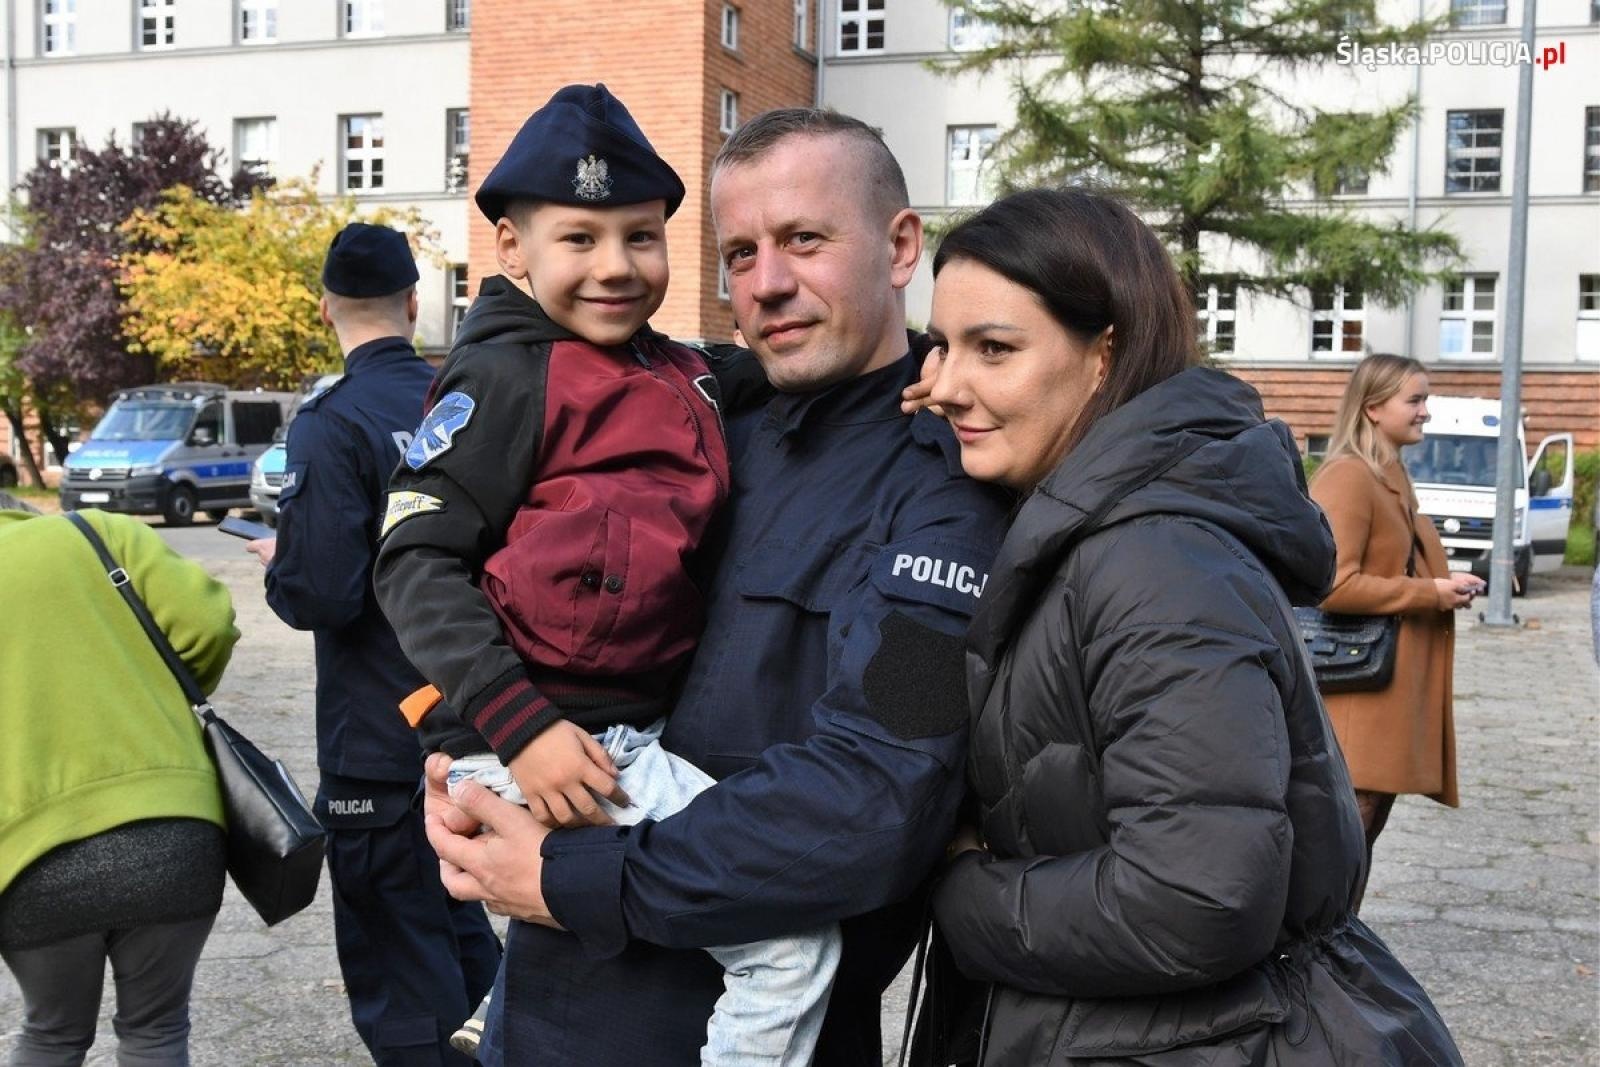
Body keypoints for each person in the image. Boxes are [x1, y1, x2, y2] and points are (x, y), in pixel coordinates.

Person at [410, 108, 1012, 1066]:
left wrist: (573, 873)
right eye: (740, 253)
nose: (768, 284)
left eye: (804, 241)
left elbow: (877, 801)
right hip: (546, 1012)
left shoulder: (948, 499)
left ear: (901, 247)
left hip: (729, 1028)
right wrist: (483, 753)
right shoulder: (702, 421)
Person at [902, 188, 1462, 1063]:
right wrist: (911, 479)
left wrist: (958, 888)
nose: (946, 385)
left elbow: (1198, 898)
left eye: (993, 349)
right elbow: (912, 712)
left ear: (1104, 354)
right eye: (941, 346)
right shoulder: (1042, 524)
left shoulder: (1154, 561)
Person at [374, 83, 840, 1066]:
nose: (616, 267)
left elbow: (781, 364)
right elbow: (414, 562)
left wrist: (937, 363)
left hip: (604, 729)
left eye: (640, 236)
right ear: (511, 248)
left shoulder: (680, 370)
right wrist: (521, 728)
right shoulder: (505, 376)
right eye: (578, 239)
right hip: (556, 734)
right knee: (789, 941)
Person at [247, 223, 501, 1066]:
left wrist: (284, 562)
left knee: (401, 976)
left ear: (325, 309)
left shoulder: (331, 419)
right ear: (414, 303)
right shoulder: (460, 401)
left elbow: (321, 591)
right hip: (477, 720)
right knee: (465, 946)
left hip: (377, 744)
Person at [0, 496, 237, 1066]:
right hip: (173, 824)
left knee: (51, 1034)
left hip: (27, 851)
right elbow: (209, 624)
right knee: (156, 1029)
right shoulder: (97, 533)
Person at [1309, 354, 1484, 907]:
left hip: (1383, 686)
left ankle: (1333, 952)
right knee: (1347, 830)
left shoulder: (1388, 474)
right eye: (1416, 400)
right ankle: (1312, 957)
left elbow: (1392, 564)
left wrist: (1442, 580)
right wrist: (1428, 593)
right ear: (1373, 407)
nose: (1426, 412)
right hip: (1357, 687)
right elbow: (1331, 584)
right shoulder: (1349, 477)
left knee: (1365, 824)